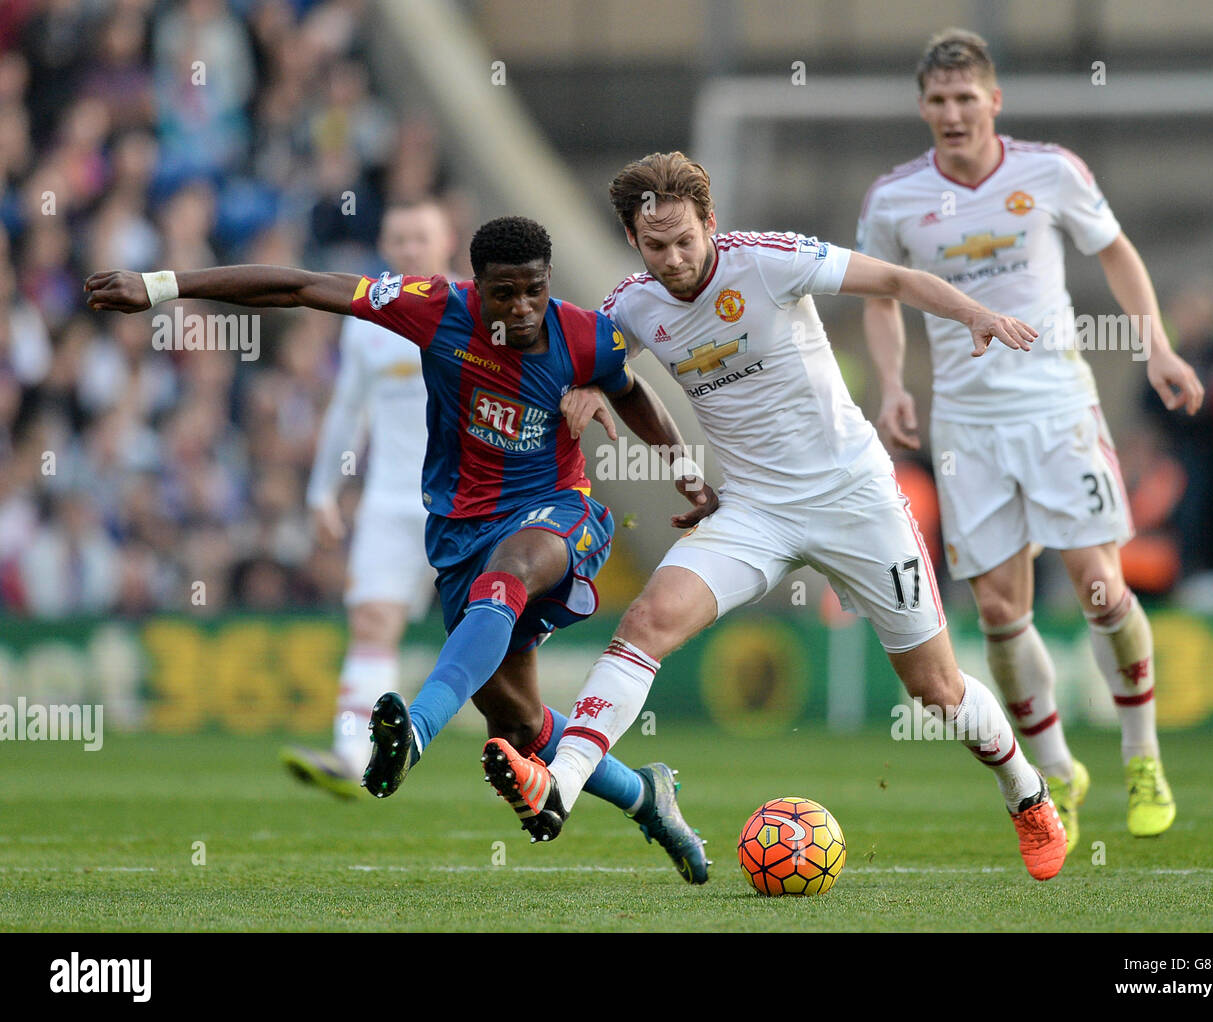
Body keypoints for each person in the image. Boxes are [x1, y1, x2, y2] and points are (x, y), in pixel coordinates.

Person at [479, 151, 1074, 882]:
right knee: (645, 624)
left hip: (854, 497)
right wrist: (588, 392)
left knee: (936, 690)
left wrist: (974, 314)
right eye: (655, 245)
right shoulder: (630, 304)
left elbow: (890, 277)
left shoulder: (769, 261)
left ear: (711, 226)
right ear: (634, 241)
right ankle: (560, 784)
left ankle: (1026, 791)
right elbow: (589, 363)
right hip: (755, 509)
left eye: (684, 241)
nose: (672, 259)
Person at [84, 216, 715, 883]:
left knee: (506, 578)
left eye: (534, 290)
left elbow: (628, 385)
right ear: (478, 287)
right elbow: (300, 286)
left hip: (560, 514)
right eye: (505, 294)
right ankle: (648, 798)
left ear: (548, 280)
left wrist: (685, 471)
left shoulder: (584, 333)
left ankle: (412, 733)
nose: (522, 308)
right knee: (521, 722)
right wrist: (161, 286)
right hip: (461, 533)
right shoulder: (434, 308)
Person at [855, 29, 1204, 848]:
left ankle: (1142, 756)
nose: (952, 114)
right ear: (923, 107)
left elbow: (1115, 250)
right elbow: (880, 296)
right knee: (1003, 616)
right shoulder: (895, 199)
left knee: (1100, 591)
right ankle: (1055, 770)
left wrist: (1153, 342)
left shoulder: (1050, 171)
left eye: (966, 99)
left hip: (1056, 411)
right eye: (937, 102)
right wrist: (895, 386)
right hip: (968, 431)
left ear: (994, 101)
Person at [280, 198, 455, 797]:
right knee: (373, 621)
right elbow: (347, 410)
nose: (409, 249)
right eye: (399, 238)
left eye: (420, 237)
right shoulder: (367, 320)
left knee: (492, 630)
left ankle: (538, 754)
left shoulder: (471, 311)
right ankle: (350, 753)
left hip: (463, 504)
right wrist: (322, 490)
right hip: (387, 502)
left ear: (446, 241)